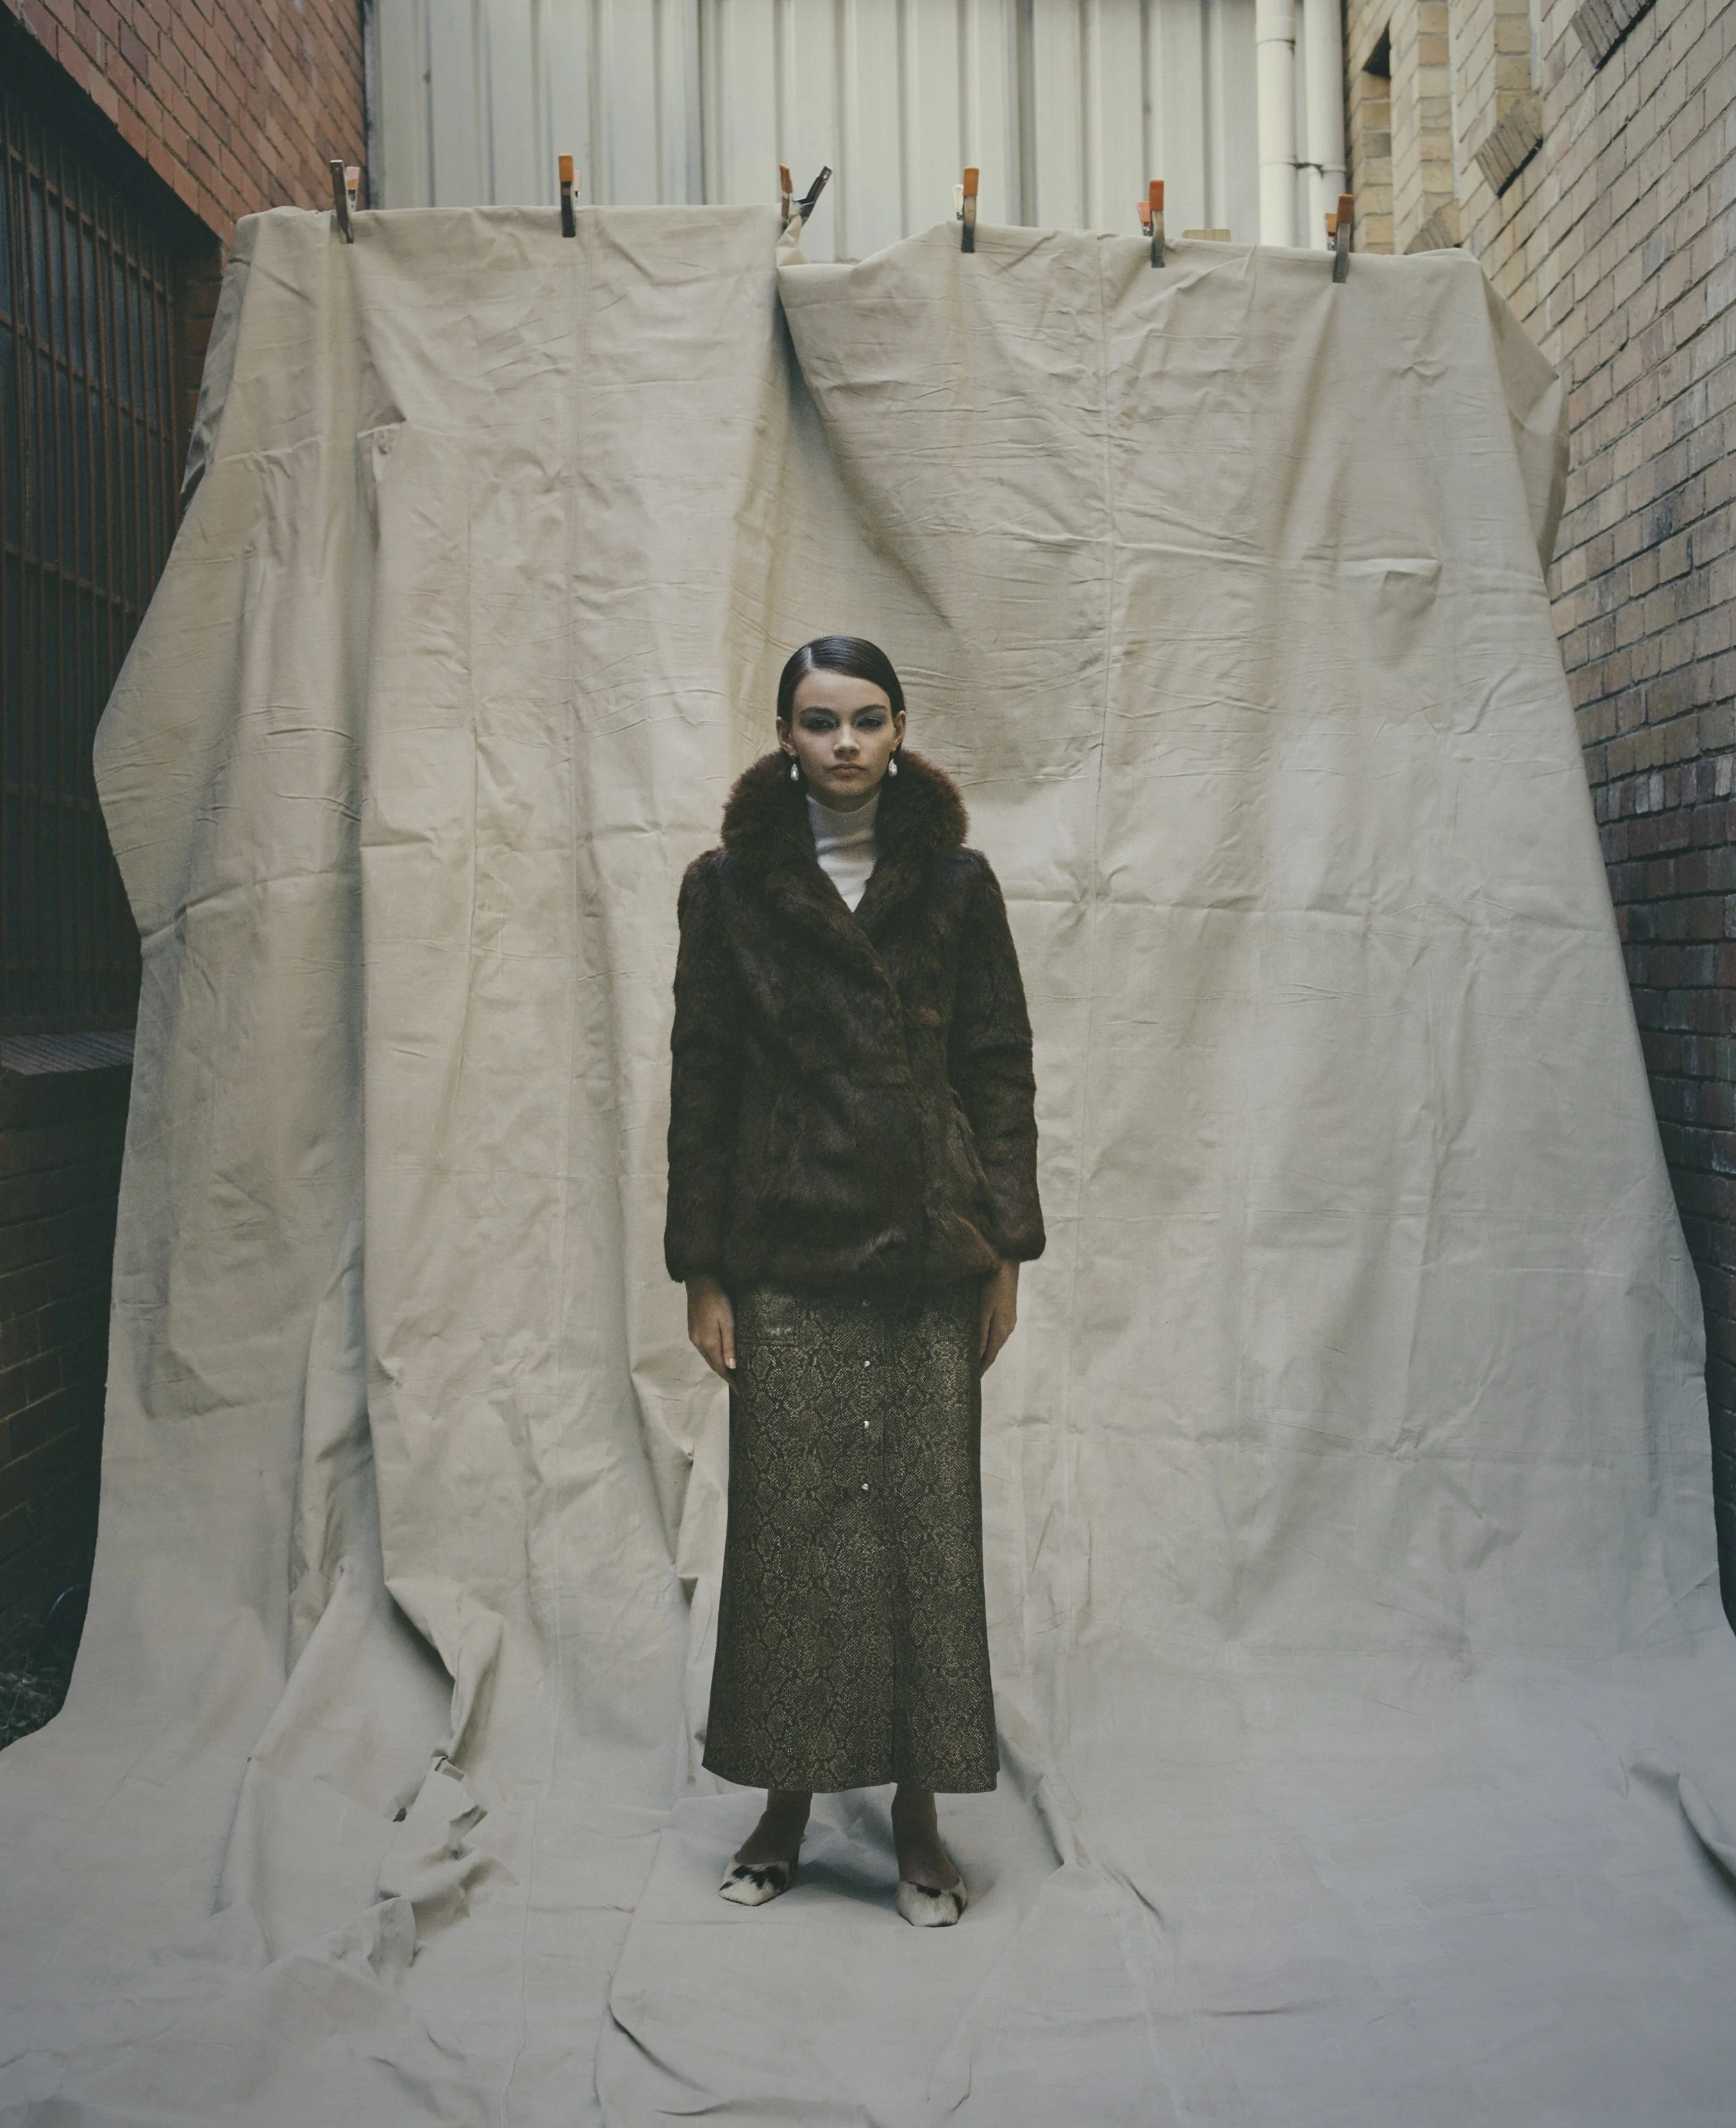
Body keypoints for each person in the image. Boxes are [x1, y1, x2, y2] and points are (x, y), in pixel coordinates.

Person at [665, 635, 1044, 1927]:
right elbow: (703, 1083)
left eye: (867, 719)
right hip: (786, 1248)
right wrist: (704, 1270)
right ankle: (785, 1800)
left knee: (926, 1535)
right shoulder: (727, 889)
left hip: (932, 1253)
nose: (845, 743)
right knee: (789, 1535)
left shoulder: (958, 883)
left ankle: (919, 1816)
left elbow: (998, 1068)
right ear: (785, 734)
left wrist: (1004, 1251)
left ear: (899, 730)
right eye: (820, 721)